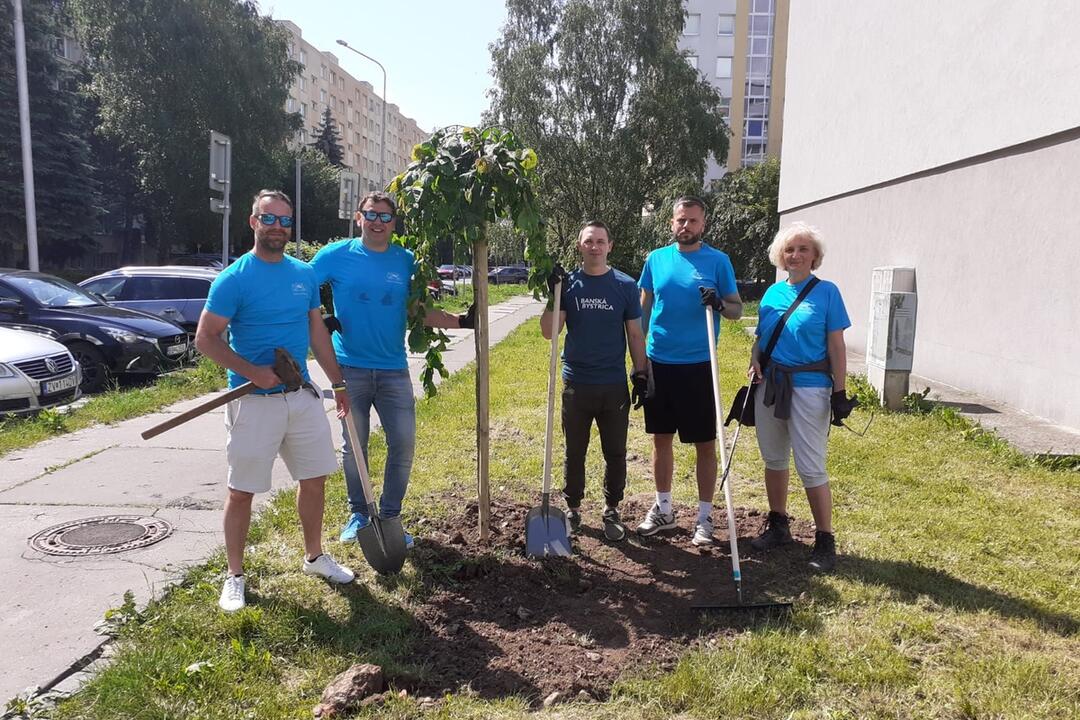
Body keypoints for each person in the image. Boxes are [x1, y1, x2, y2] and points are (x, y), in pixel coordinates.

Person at [196, 189, 354, 613]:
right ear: (253, 222)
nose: (278, 227)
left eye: (285, 221)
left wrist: (337, 382)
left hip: (300, 396)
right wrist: (252, 371)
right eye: (269, 219)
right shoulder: (234, 278)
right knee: (242, 490)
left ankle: (316, 557)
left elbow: (318, 335)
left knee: (315, 477)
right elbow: (205, 338)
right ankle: (234, 576)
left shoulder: (303, 275)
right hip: (254, 402)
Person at [311, 191, 475, 549]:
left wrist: (462, 321)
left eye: (385, 217)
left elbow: (417, 311)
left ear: (394, 223)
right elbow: (301, 287)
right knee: (355, 447)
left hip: (393, 370)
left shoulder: (406, 261)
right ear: (359, 218)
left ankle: (390, 517)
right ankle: (359, 515)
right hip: (349, 369)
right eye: (371, 215)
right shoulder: (336, 255)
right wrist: (319, 317)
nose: (378, 222)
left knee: (402, 444)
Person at [636, 196, 743, 546]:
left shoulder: (718, 261)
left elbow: (737, 309)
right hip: (660, 362)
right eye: (681, 220)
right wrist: (639, 361)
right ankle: (664, 509)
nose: (686, 226)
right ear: (671, 223)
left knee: (704, 444)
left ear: (703, 224)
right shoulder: (656, 259)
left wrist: (719, 303)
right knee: (660, 438)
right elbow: (643, 310)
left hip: (700, 364)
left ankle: (704, 516)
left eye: (693, 221)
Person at [748, 222, 852, 572]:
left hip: (810, 388)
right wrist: (754, 362)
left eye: (803, 249)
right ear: (781, 255)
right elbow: (762, 337)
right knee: (774, 458)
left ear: (815, 257)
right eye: (790, 249)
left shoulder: (827, 293)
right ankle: (778, 525)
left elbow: (837, 346)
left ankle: (825, 540)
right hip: (770, 385)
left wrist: (839, 391)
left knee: (810, 465)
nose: (795, 255)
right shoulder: (772, 294)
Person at [540, 221, 648, 540]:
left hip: (613, 383)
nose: (595, 247)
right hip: (577, 383)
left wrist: (640, 373)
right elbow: (550, 332)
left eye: (600, 241)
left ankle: (612, 508)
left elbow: (634, 333)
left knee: (615, 451)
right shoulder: (568, 284)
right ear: (580, 245)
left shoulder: (625, 285)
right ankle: (573, 508)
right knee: (575, 450)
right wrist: (552, 294)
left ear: (610, 246)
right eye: (589, 241)